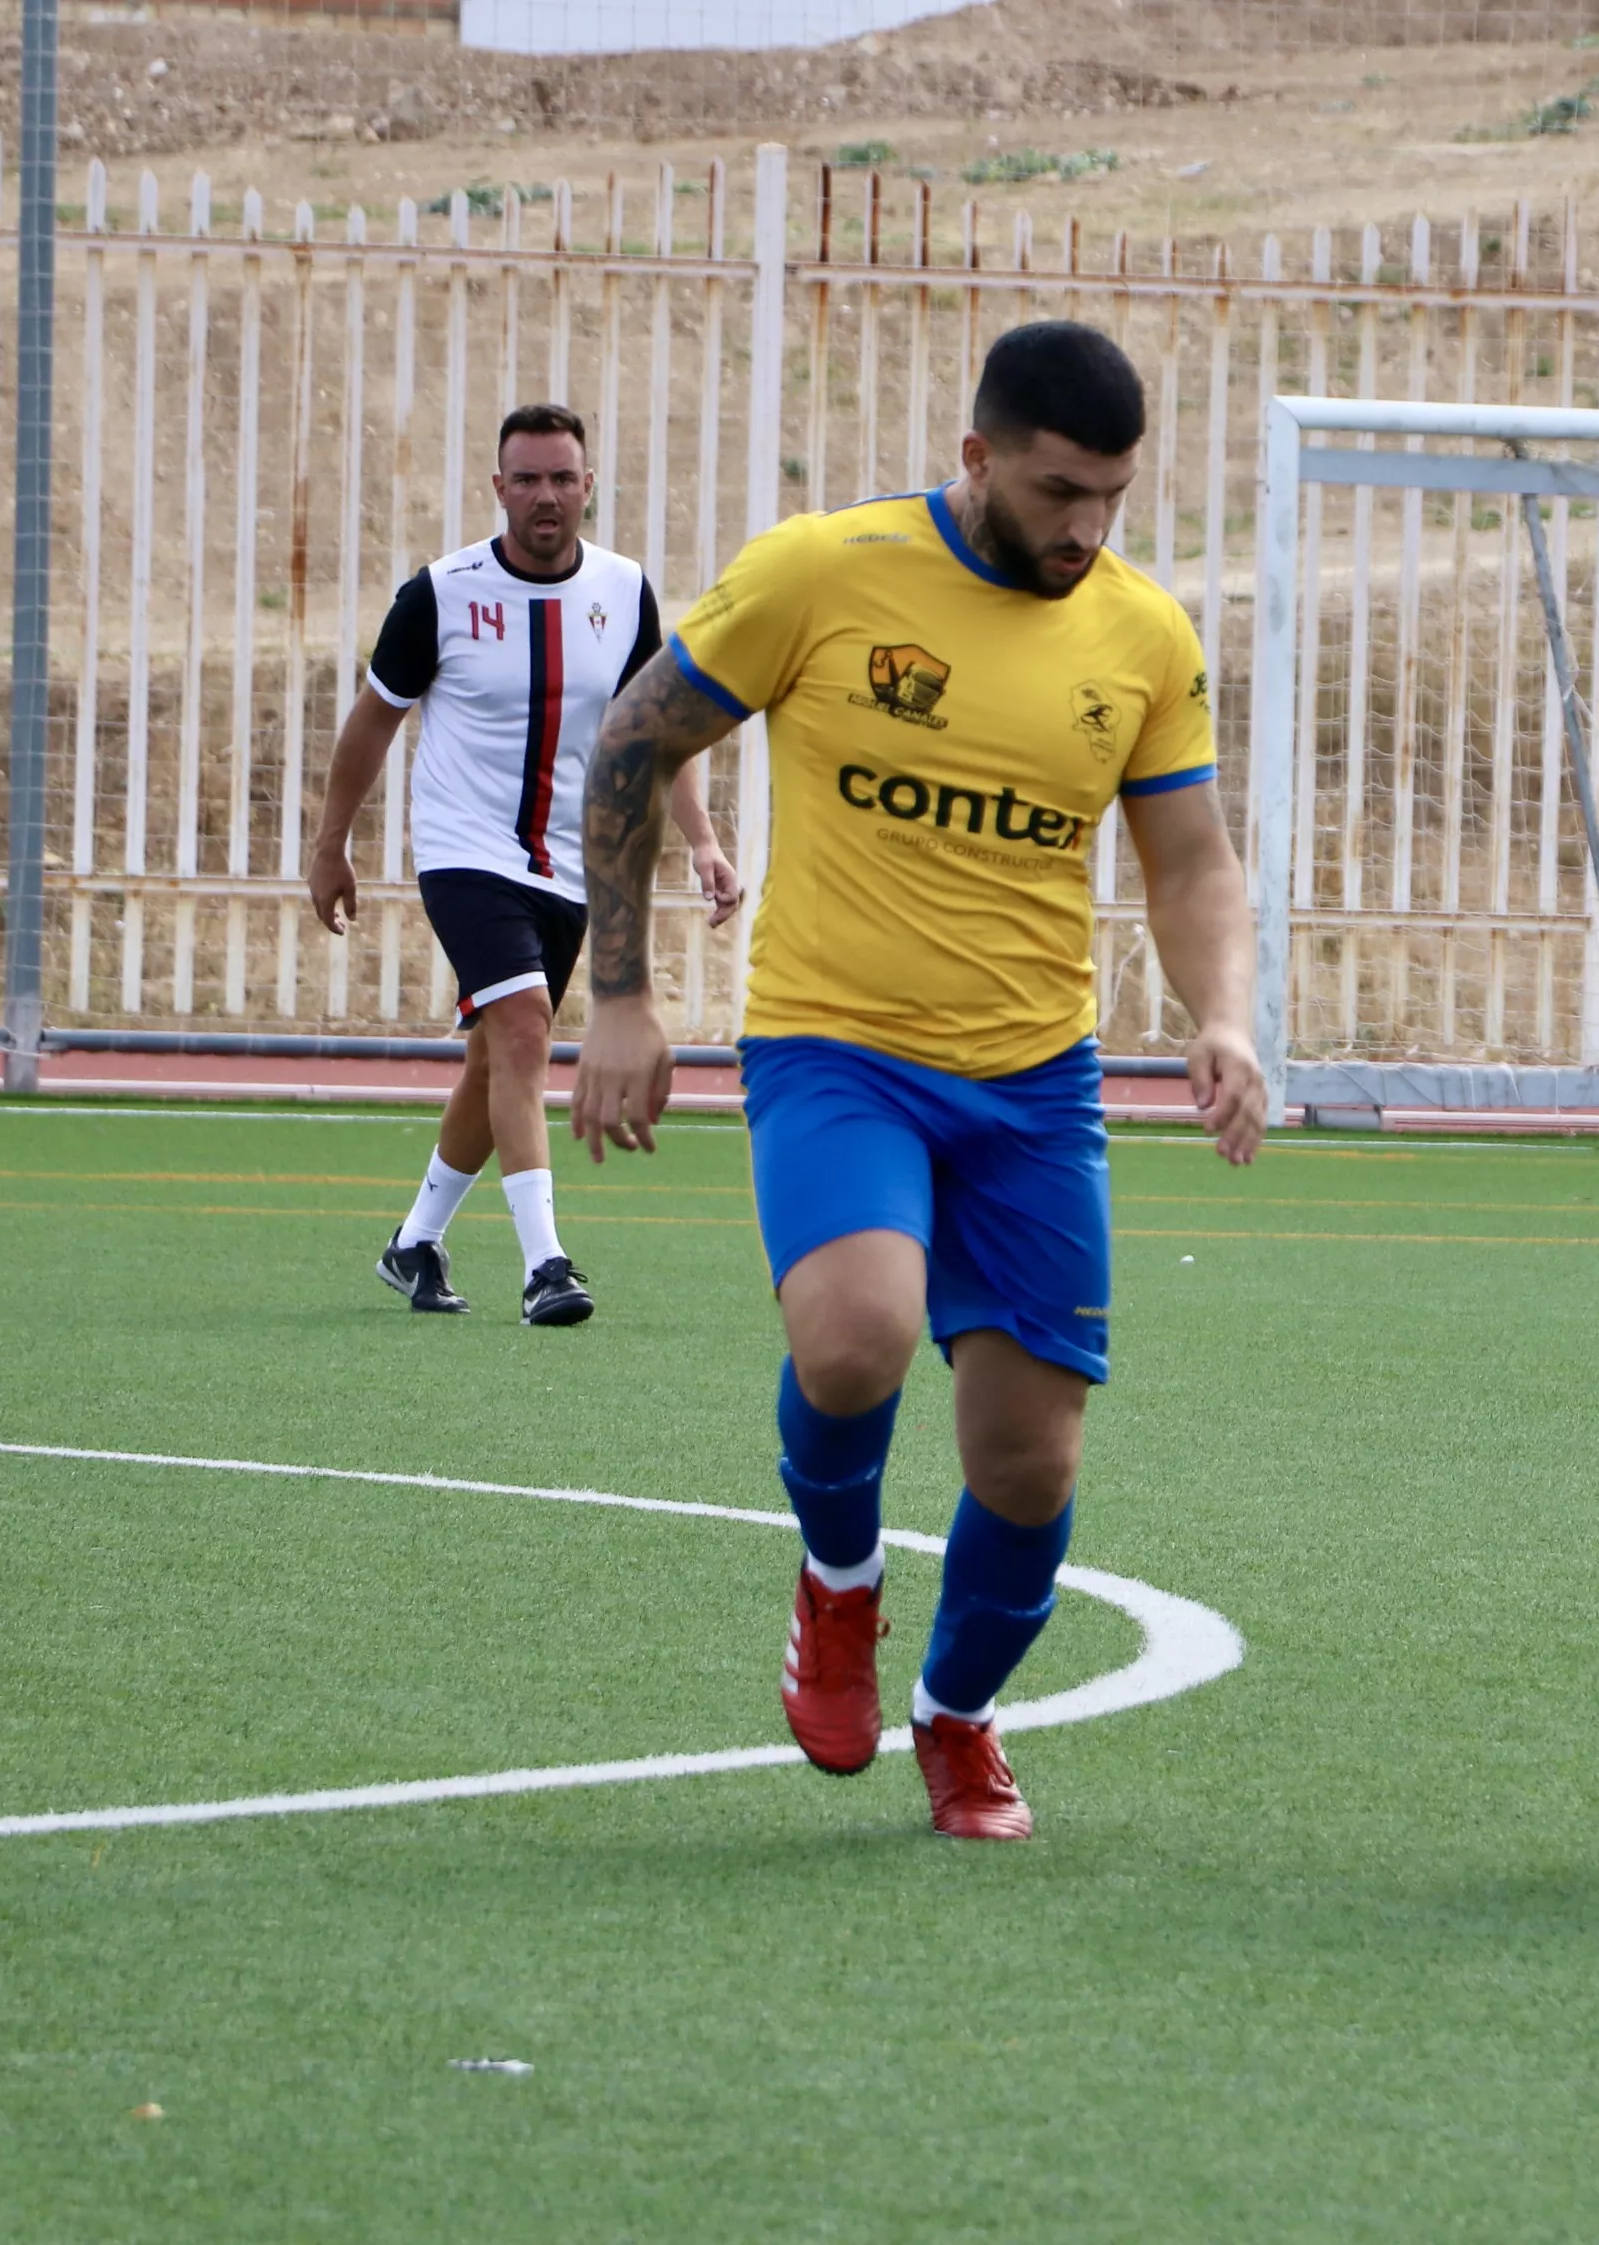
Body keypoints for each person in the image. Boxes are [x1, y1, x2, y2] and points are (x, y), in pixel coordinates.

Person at [564, 321, 1266, 1841]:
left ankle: (953, 1717)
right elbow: (630, 745)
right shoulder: (823, 570)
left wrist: (1224, 1015)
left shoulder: (1140, 634)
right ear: (976, 457)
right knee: (856, 1340)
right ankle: (836, 1589)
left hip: (1031, 1086)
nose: (1087, 528)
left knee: (1030, 1460)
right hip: (837, 1048)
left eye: (1114, 499)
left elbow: (1191, 857)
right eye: (1059, 489)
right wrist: (616, 995)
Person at [309, 402, 742, 1327]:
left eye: (562, 478)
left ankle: (413, 1243)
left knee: (493, 1059)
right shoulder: (441, 592)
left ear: (589, 486)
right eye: (527, 479)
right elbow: (374, 719)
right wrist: (329, 843)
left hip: (570, 866)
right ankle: (546, 1264)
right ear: (497, 487)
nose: (545, 496)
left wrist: (701, 837)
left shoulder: (625, 590)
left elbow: (657, 727)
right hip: (465, 850)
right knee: (522, 1025)